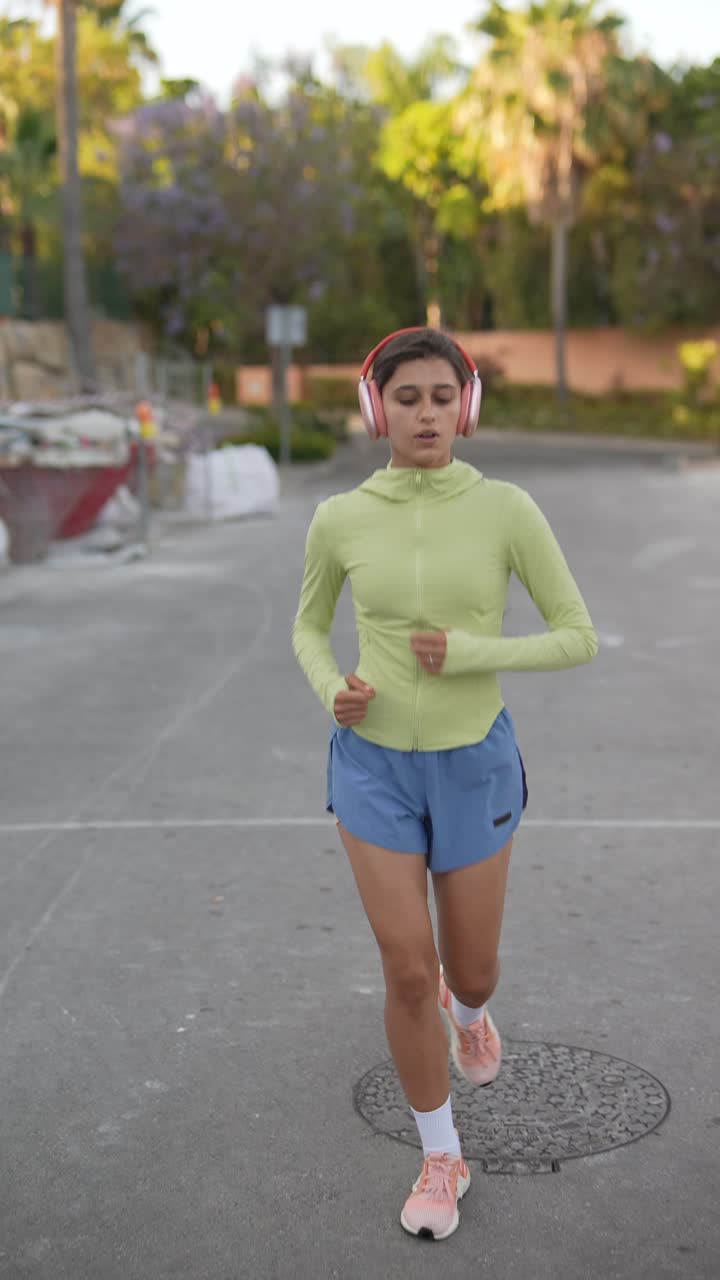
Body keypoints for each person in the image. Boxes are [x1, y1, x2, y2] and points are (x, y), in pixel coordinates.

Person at [292, 327, 598, 1241]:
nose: (423, 413)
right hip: (373, 765)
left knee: (468, 969)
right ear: (374, 407)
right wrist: (330, 689)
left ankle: (476, 1013)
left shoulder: (506, 509)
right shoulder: (339, 518)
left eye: (439, 397)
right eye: (406, 397)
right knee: (405, 968)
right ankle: (441, 1153)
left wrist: (472, 654)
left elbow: (576, 633)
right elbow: (308, 630)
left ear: (466, 407)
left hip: (474, 764)